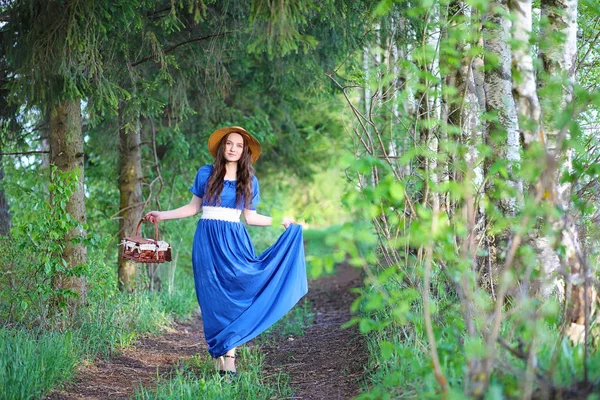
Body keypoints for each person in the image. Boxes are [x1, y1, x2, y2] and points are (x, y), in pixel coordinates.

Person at [143, 126, 308, 377]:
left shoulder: (249, 180)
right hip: (207, 240)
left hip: (234, 239)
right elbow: (193, 207)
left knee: (236, 292)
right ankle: (220, 351)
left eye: (239, 145)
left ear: (245, 152)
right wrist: (161, 215)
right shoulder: (206, 173)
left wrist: (281, 220)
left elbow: (250, 218)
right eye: (229, 143)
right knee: (212, 296)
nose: (233, 148)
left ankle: (229, 355)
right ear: (222, 147)